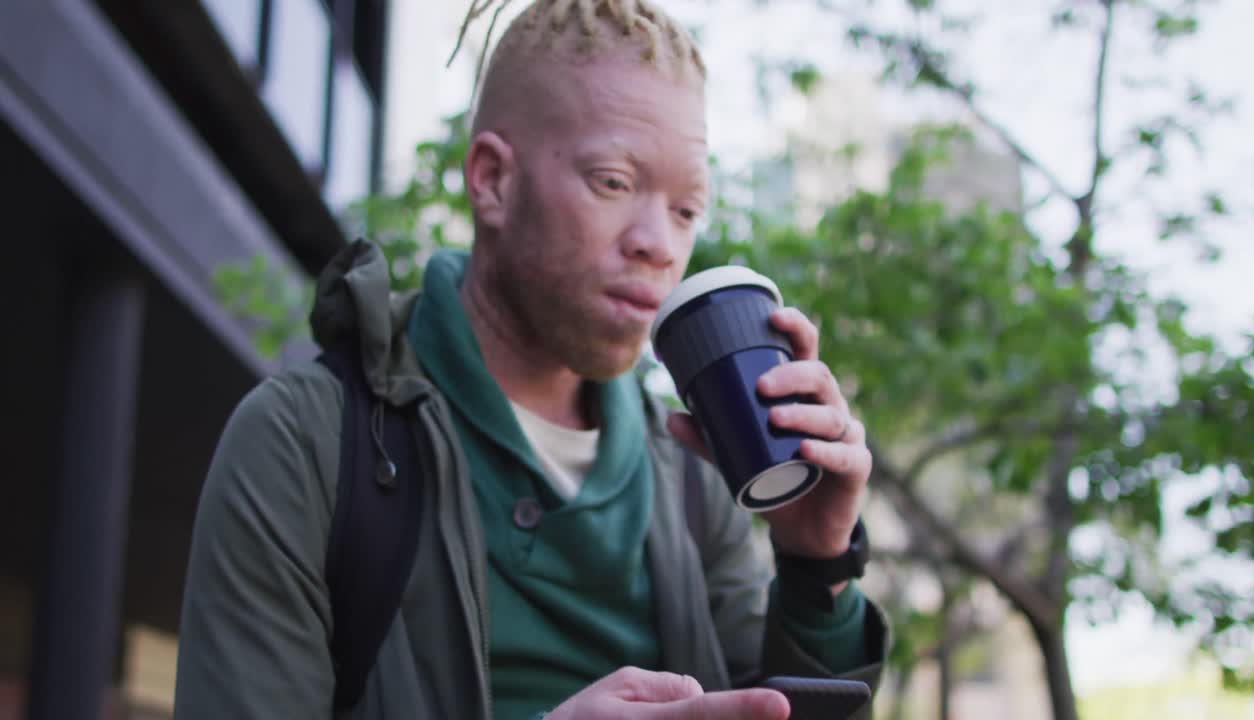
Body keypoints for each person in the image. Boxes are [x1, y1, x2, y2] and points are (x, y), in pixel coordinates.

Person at [174, 0, 887, 717]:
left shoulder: (691, 479)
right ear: (492, 180)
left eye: (686, 210)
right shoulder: (309, 443)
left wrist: (817, 563)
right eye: (614, 182)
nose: (659, 245)